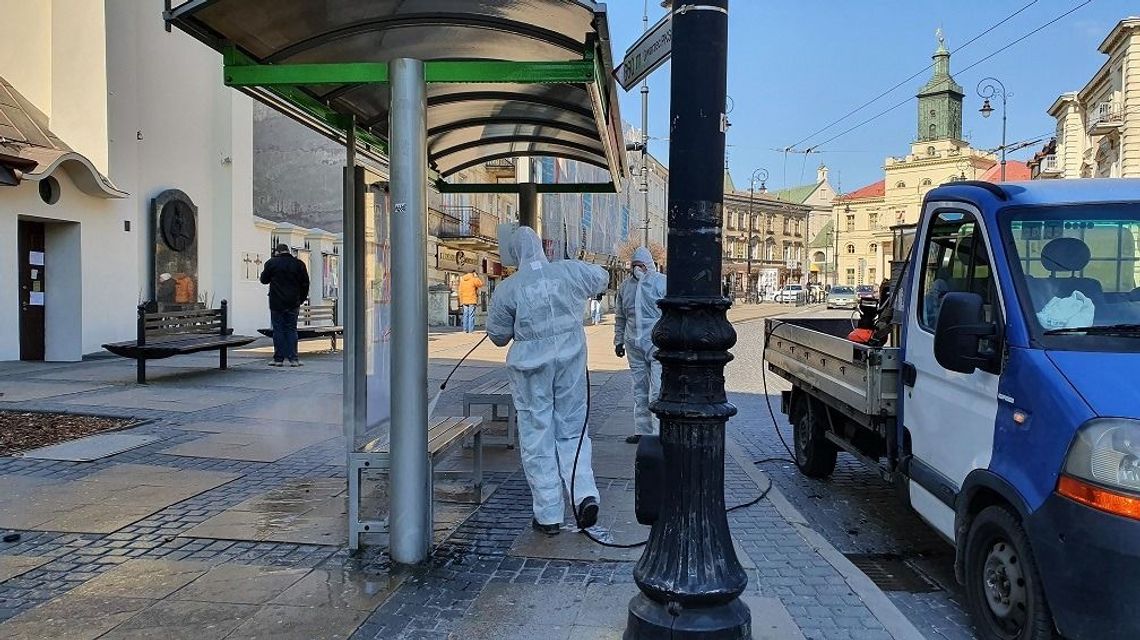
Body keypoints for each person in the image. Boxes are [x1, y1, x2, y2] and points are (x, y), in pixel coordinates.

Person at [487, 227, 608, 536]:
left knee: (537, 436)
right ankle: (584, 496)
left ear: (515, 254)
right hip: (569, 365)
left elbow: (498, 336)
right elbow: (601, 278)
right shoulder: (568, 272)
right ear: (542, 248)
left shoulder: (509, 288)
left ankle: (548, 514)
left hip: (530, 372)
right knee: (572, 430)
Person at [614, 247, 667, 444]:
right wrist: (618, 341)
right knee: (639, 389)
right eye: (634, 265)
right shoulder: (625, 287)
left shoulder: (661, 283)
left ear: (649, 266)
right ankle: (643, 430)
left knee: (657, 388)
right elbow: (620, 317)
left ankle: (658, 430)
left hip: (656, 343)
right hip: (633, 343)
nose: (637, 269)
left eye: (641, 265)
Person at [260, 243, 310, 367]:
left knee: (278, 329)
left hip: (276, 302)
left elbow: (263, 280)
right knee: (292, 329)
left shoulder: (272, 263)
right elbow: (305, 284)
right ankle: (294, 359)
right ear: (288, 251)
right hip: (293, 302)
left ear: (277, 252)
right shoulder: (299, 264)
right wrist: (301, 299)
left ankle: (278, 359)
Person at [457, 267, 484, 333]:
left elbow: (460, 291)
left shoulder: (462, 280)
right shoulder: (473, 279)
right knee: (471, 315)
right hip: (471, 299)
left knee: (465, 314)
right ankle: (471, 330)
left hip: (464, 300)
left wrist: (461, 301)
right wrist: (476, 277)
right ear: (473, 272)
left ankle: (464, 329)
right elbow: (480, 284)